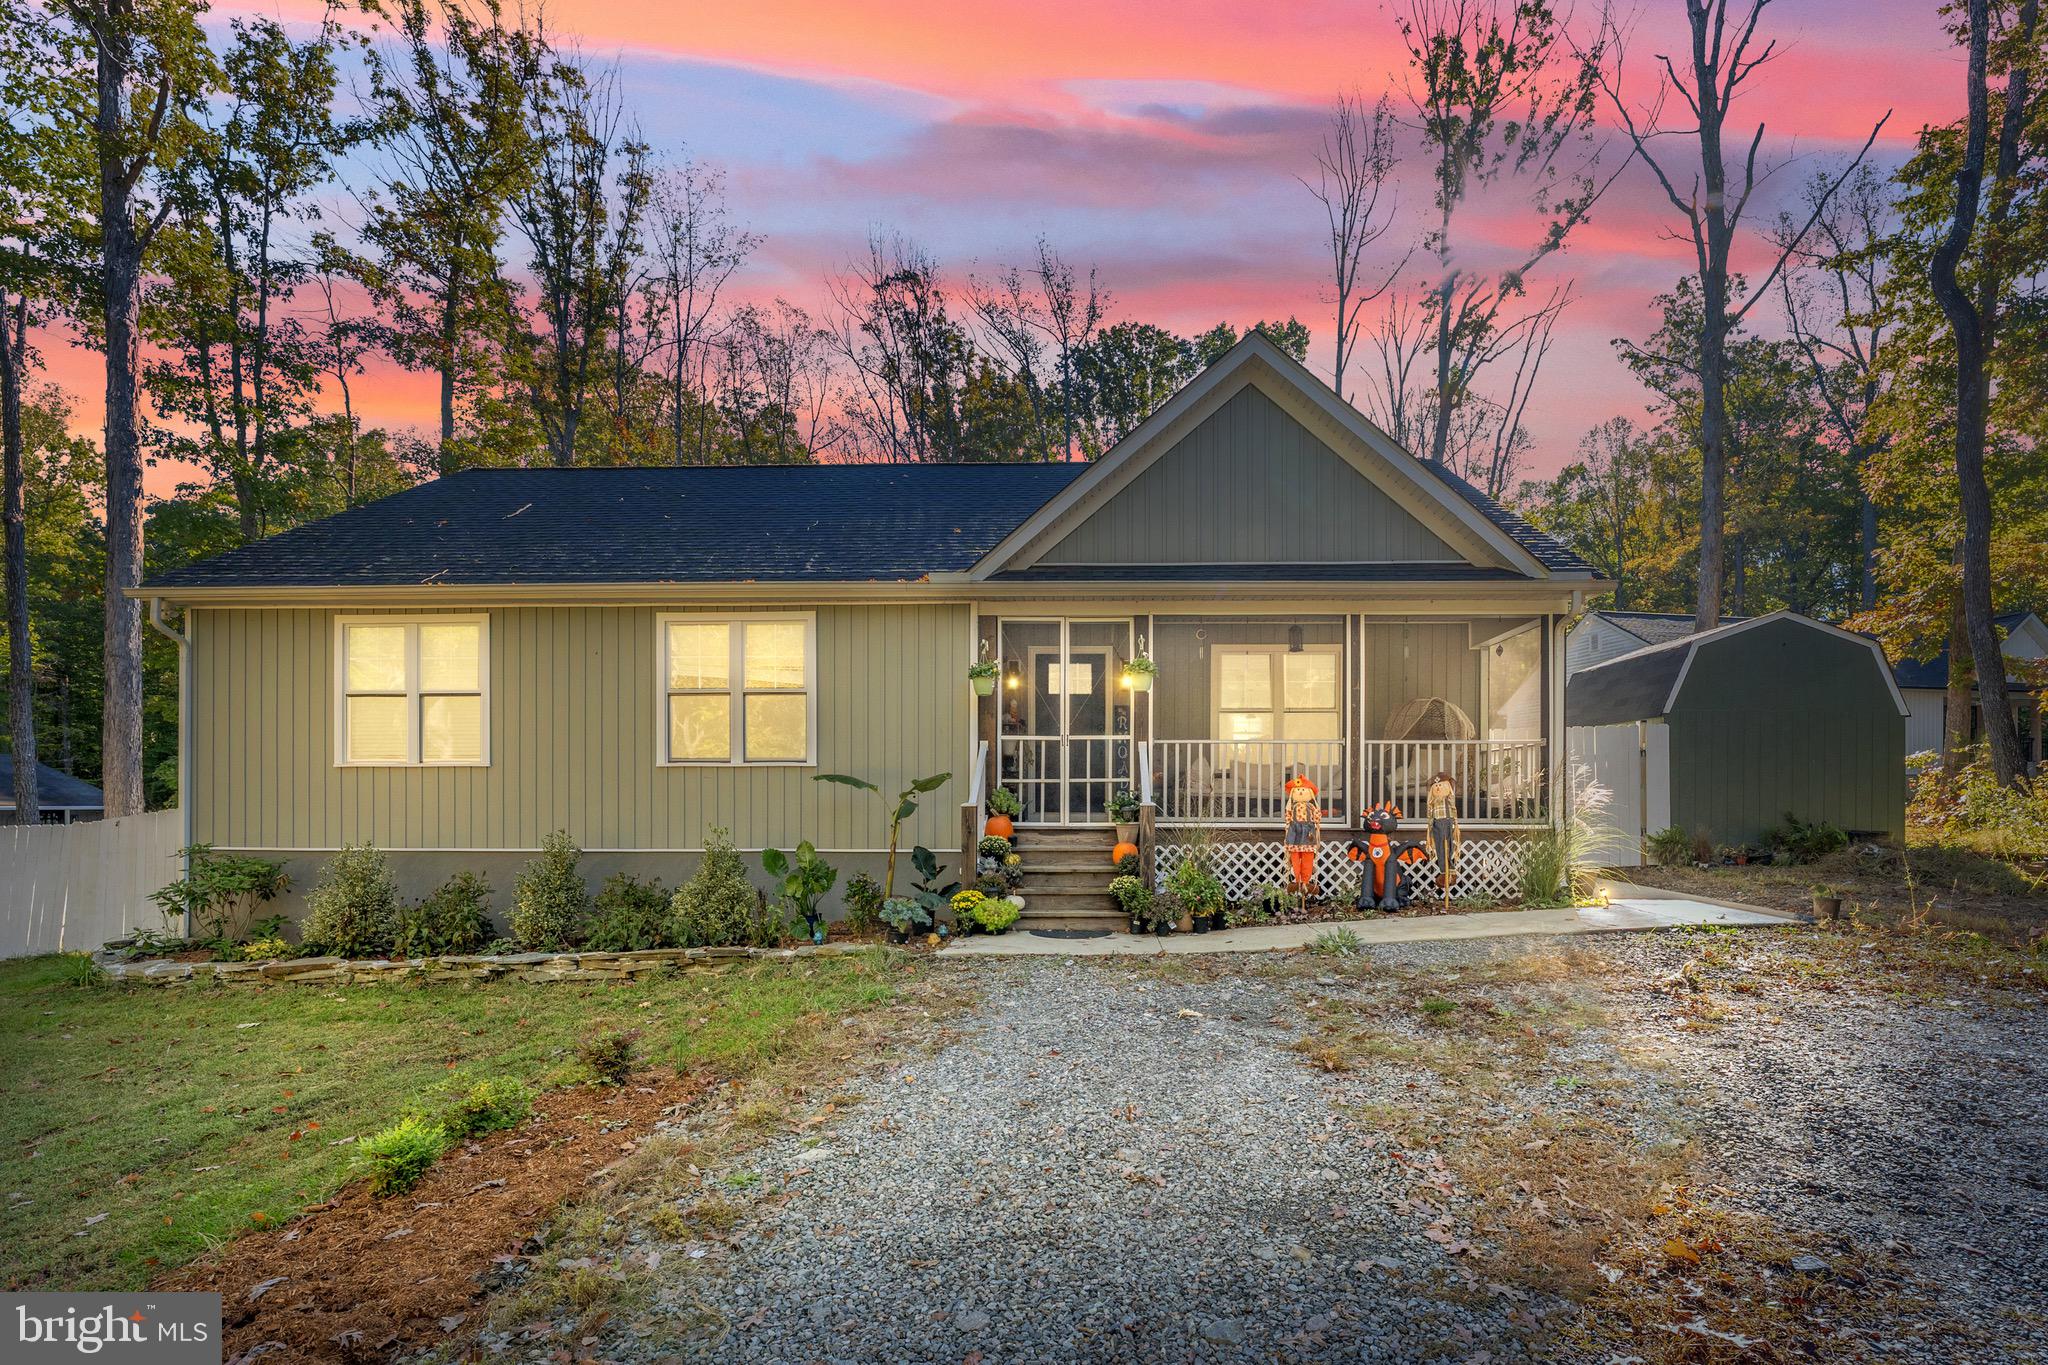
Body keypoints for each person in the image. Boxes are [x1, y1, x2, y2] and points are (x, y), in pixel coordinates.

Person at [1282, 773, 1321, 897]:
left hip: (1308, 833)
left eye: (1303, 790)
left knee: (1308, 858)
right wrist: (1287, 825)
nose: (1300, 792)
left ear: (1310, 793)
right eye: (1298, 790)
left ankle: (1305, 881)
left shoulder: (1311, 807)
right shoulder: (1292, 807)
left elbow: (1317, 817)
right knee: (1294, 857)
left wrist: (1316, 826)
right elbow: (1288, 818)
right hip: (1294, 833)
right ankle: (1297, 880)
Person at [1424, 771, 1459, 902]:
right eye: (1436, 786)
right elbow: (1429, 813)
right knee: (1439, 848)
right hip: (1436, 824)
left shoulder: (1448, 800)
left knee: (1446, 846)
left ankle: (1448, 872)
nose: (1438, 788)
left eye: (1441, 785)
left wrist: (1455, 822)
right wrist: (1430, 825)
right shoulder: (1433, 802)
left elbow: (1453, 810)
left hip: (1445, 821)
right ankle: (1446, 872)